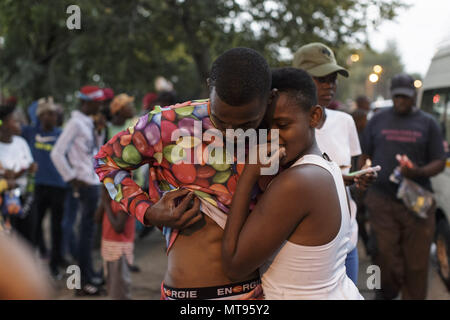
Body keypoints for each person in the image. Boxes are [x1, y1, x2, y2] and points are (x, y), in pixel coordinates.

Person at [94, 47, 369, 300]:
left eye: (247, 123)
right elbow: (106, 162)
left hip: (253, 294)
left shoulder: (273, 134)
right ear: (209, 88)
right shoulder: (167, 125)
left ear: (269, 98)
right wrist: (147, 211)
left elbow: (299, 186)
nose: (230, 132)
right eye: (220, 119)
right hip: (184, 296)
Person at [222, 67, 363, 299]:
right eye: (264, 127)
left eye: (282, 125)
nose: (271, 136)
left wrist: (248, 174)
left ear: (314, 117)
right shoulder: (328, 165)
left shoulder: (296, 182)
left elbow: (233, 266)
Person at [359, 73, 446, 300]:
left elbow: (438, 160)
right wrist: (365, 172)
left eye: (405, 97)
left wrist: (417, 172)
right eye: (397, 97)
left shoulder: (428, 123)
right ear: (391, 94)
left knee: (416, 265)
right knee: (384, 258)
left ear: (414, 96)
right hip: (381, 201)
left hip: (416, 201)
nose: (401, 101)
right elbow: (365, 154)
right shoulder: (377, 120)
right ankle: (384, 294)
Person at [293, 42, 363, 284]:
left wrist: (359, 181)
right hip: (305, 249)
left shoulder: (345, 121)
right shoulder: (284, 128)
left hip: (347, 243)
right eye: (321, 78)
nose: (330, 85)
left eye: (333, 78)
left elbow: (353, 172)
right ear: (300, 79)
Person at [51, 85, 106, 295]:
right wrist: (71, 177)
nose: (100, 106)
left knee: (88, 233)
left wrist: (99, 131)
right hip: (84, 182)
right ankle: (82, 283)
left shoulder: (88, 122)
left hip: (93, 180)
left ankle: (89, 276)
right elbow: (57, 153)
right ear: (85, 102)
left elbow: (93, 150)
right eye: (97, 102)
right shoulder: (75, 123)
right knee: (86, 233)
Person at [22, 97, 67, 278]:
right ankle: (35, 261)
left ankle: (54, 265)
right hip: (37, 186)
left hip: (58, 186)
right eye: (48, 114)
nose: (53, 117)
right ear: (40, 116)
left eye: (54, 113)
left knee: (57, 227)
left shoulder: (62, 134)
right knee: (34, 226)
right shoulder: (30, 132)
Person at [0, 104, 37, 244]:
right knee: (8, 240)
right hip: (5, 200)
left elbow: (28, 164)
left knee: (28, 239)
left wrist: (31, 169)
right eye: (14, 120)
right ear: (3, 125)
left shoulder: (21, 142)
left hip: (25, 197)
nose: (19, 123)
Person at [99, 188, 135, 299]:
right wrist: (104, 202)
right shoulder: (109, 199)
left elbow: (118, 227)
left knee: (119, 291)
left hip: (119, 251)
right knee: (112, 287)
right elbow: (96, 218)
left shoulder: (123, 199)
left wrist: (106, 203)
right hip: (109, 248)